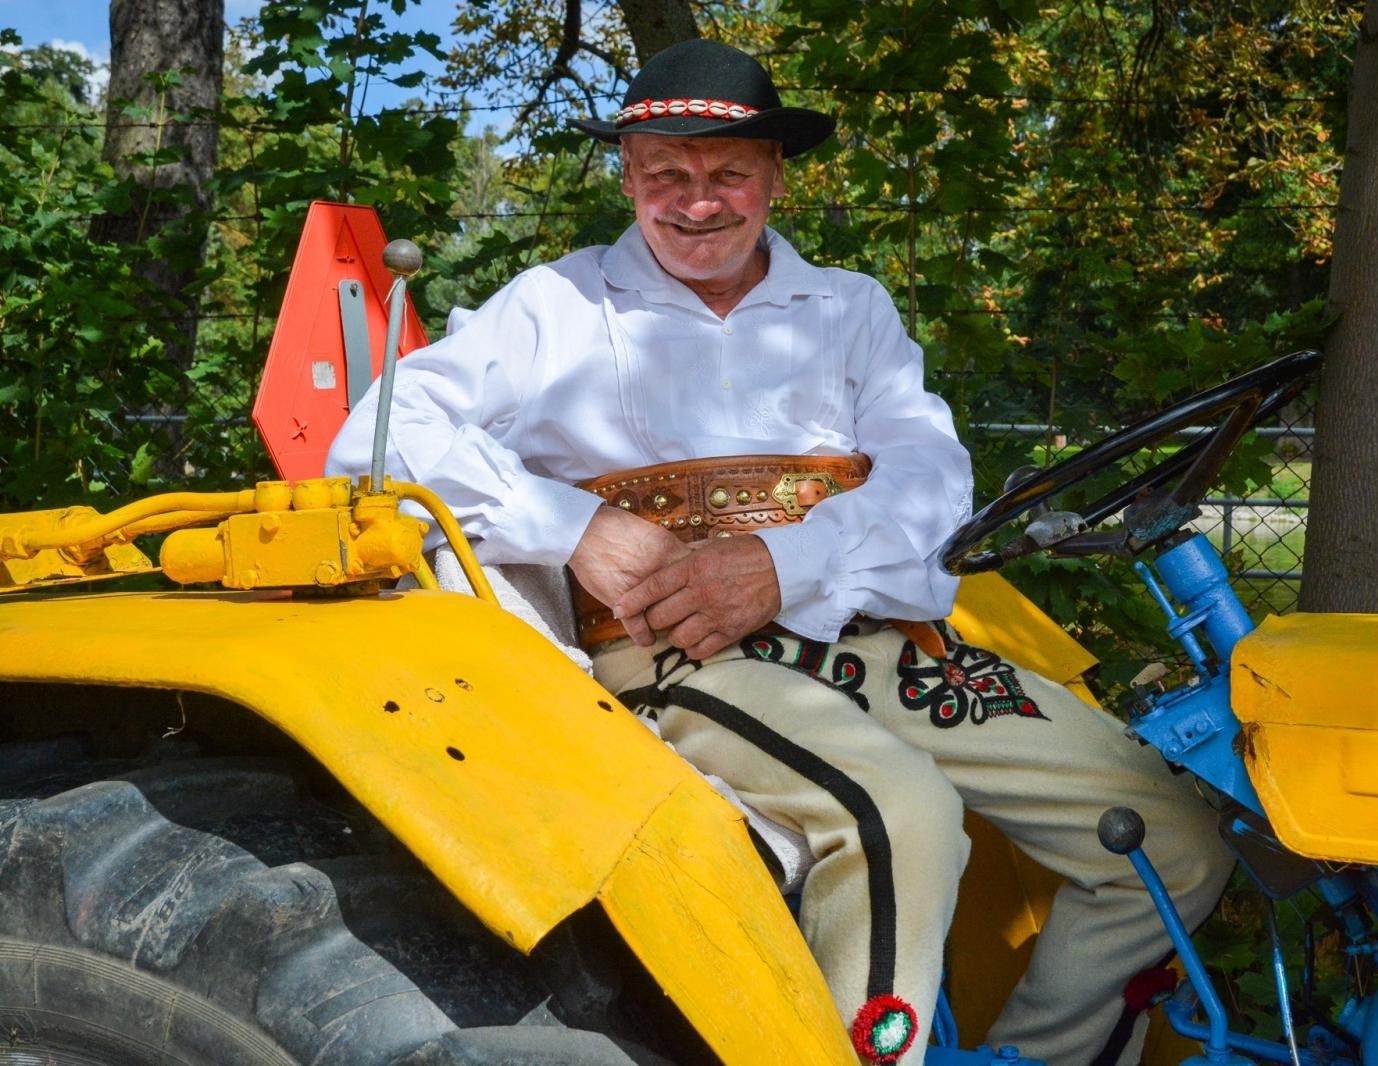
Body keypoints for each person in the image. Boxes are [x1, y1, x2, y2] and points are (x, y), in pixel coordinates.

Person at [326, 38, 1232, 1066]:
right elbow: (374, 438)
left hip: (884, 645)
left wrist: (782, 565)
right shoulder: (555, 305)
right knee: (900, 814)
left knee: (1170, 840)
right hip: (675, 652)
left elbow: (932, 484)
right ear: (627, 175)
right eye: (665, 173)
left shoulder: (848, 310)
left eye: (726, 174)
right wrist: (573, 526)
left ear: (774, 177)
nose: (696, 202)